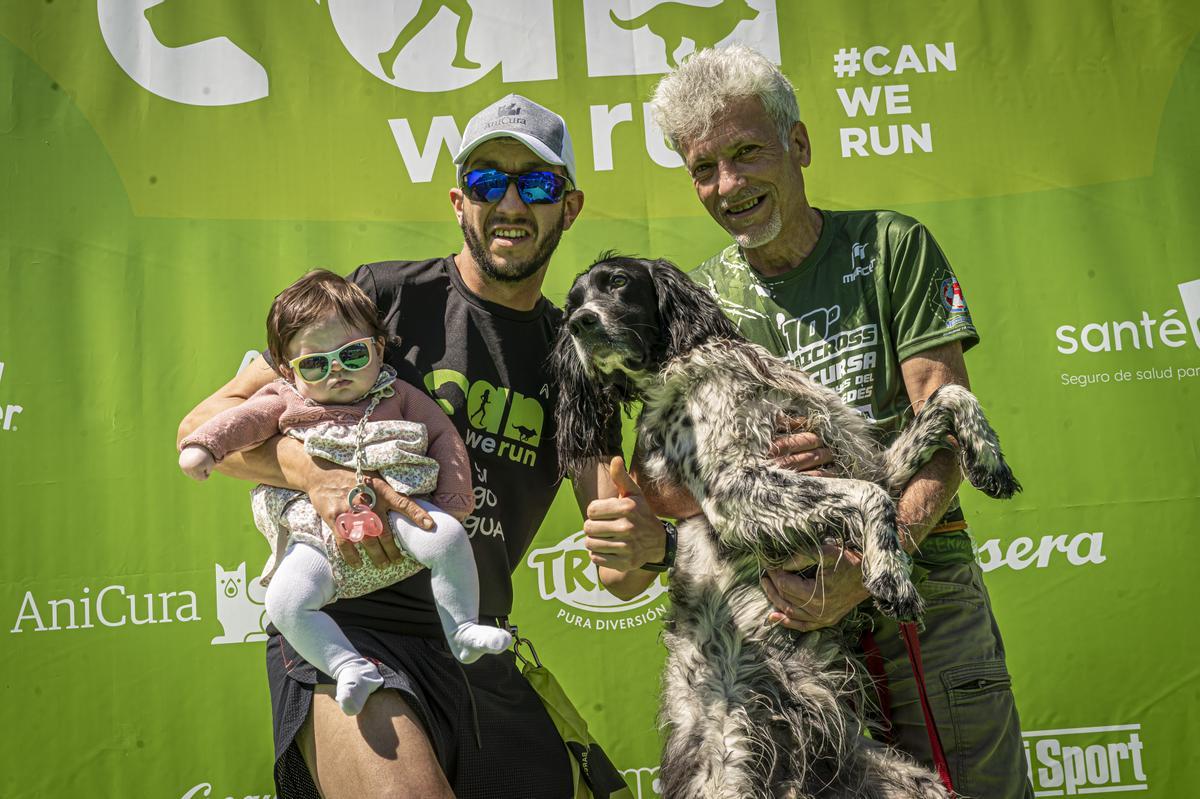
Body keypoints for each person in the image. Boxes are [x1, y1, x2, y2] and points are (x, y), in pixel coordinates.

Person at [177, 95, 662, 798]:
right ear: (460, 200)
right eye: (490, 180)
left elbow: (621, 573)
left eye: (538, 183)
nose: (512, 202)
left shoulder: (577, 361)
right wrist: (312, 474)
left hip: (473, 641)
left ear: (572, 205)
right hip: (347, 629)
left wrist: (643, 543)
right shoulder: (382, 296)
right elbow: (203, 426)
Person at [595, 46, 1034, 798]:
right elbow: (663, 480)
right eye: (704, 169)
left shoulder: (890, 245)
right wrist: (735, 481)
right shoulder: (694, 299)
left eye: (745, 153)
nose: (728, 186)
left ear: (797, 146)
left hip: (919, 596)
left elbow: (944, 420)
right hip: (779, 626)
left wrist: (860, 575)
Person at [178, 269, 512, 716]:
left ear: (377, 348)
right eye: (314, 364)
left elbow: (443, 437)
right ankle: (347, 665)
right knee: (284, 603)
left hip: (400, 518)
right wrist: (205, 446)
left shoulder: (398, 394)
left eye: (352, 355)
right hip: (317, 540)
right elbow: (240, 422)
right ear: (286, 371)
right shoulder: (286, 399)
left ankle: (463, 629)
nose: (336, 372)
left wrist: (453, 501)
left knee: (448, 536)